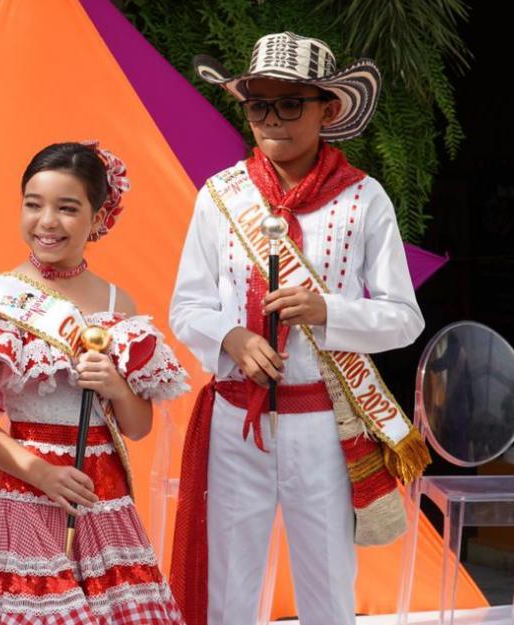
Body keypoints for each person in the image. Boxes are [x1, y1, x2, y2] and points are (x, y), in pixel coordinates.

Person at [168, 32, 429, 625]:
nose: (272, 119)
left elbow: (403, 318)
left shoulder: (365, 200)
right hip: (238, 420)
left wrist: (327, 312)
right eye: (258, 104)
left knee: (328, 585)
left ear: (327, 109)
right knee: (228, 584)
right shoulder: (220, 196)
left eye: (290, 103)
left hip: (323, 425)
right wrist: (231, 338)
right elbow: (185, 307)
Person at [0, 141, 188, 623]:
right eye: (33, 205)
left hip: (102, 502)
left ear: (99, 218)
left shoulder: (120, 304)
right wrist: (41, 472)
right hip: (28, 494)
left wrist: (117, 388)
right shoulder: (0, 299)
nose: (47, 222)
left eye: (67, 208)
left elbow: (137, 427)